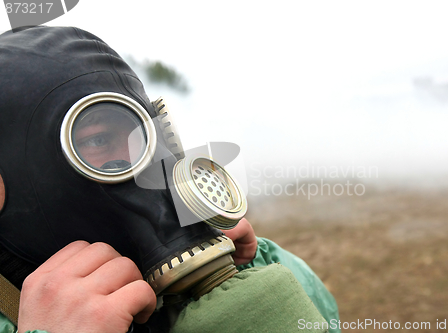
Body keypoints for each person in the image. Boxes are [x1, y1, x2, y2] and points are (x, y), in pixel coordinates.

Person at [0, 26, 340, 333]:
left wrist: (248, 279)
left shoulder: (264, 267)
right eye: (98, 141)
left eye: (149, 137)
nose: (152, 174)